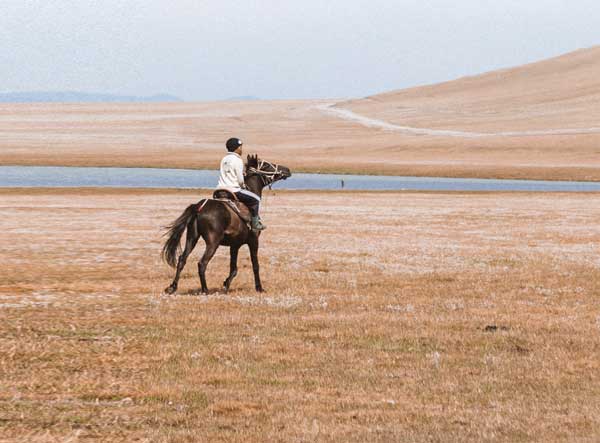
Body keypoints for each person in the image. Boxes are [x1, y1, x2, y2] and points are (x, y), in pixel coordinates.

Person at [216, 137, 266, 231]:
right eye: (240, 147)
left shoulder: (224, 159)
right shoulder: (238, 160)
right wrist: (243, 185)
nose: (241, 149)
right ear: (236, 148)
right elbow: (240, 180)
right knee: (255, 199)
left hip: (219, 190)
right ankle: (255, 224)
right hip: (233, 190)